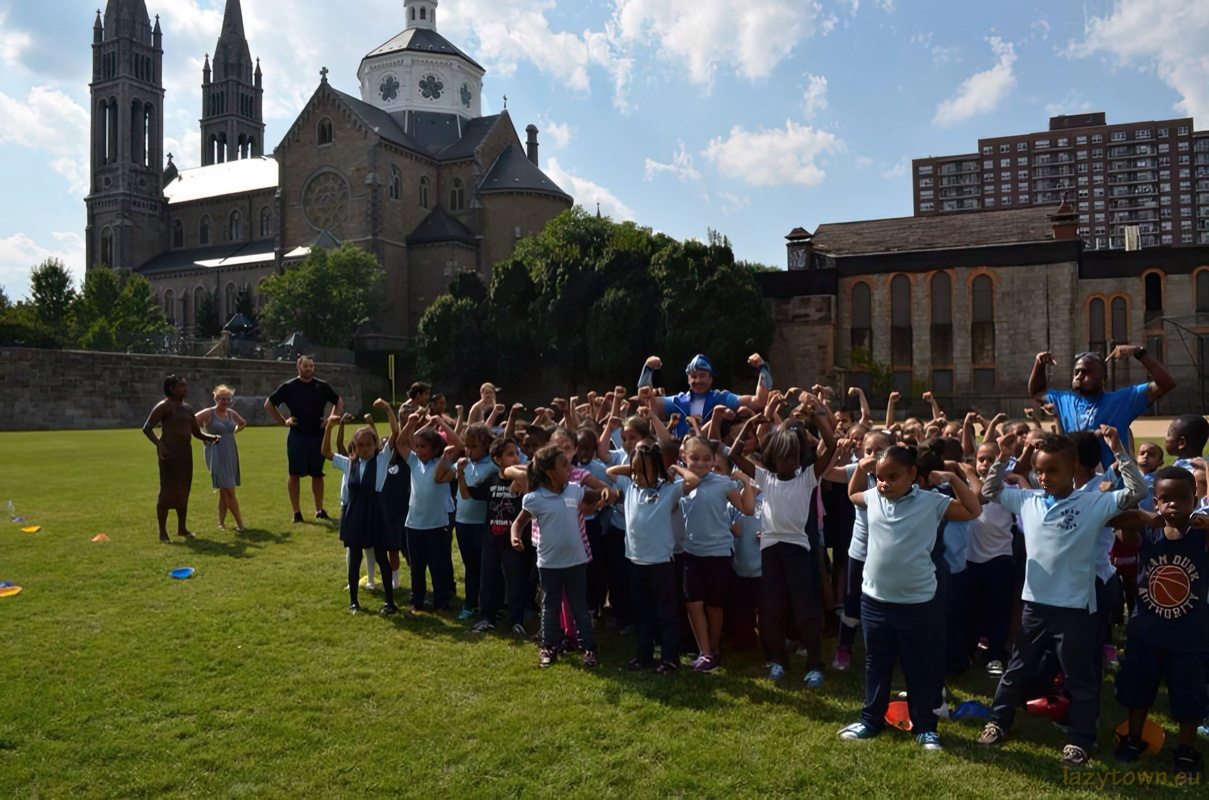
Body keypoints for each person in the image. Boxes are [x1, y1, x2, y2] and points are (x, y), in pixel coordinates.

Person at [978, 428, 1148, 768]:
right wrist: (1003, 456)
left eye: (1053, 470)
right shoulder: (1028, 500)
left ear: (1074, 469)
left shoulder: (1094, 502)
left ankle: (1080, 739)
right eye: (1040, 471)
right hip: (1036, 606)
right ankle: (998, 721)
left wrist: (1117, 450)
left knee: (1080, 675)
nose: (1044, 477)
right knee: (1018, 667)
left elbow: (1139, 490)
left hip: (1076, 609)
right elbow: (990, 490)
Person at [837, 446, 982, 751]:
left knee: (921, 666)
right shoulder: (874, 497)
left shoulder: (932, 502)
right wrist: (862, 471)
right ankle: (870, 720)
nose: (884, 483)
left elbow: (973, 510)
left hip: (918, 603)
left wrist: (954, 478)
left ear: (913, 474)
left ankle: (926, 727)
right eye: (879, 477)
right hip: (875, 599)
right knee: (877, 663)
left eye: (893, 476)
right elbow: (853, 496)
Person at [730, 399, 836, 686]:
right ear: (772, 457)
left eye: (793, 457)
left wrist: (819, 416)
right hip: (771, 550)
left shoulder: (808, 478)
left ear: (801, 457)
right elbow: (734, 454)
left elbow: (831, 445)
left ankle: (814, 663)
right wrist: (750, 427)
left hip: (798, 549)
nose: (788, 462)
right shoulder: (765, 477)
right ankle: (777, 659)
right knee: (772, 607)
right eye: (783, 457)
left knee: (805, 609)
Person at [1111, 467, 1208, 779]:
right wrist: (1143, 516)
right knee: (1138, 690)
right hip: (1146, 631)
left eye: (1182, 498)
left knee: (1188, 696)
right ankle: (1134, 738)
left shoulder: (1202, 536)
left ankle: (1187, 749)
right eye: (1165, 499)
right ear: (1156, 502)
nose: (1173, 505)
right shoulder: (1149, 531)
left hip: (1189, 636)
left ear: (1196, 499)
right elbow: (1112, 520)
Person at [511, 445, 610, 669]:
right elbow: (519, 523)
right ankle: (548, 646)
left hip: (576, 560)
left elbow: (591, 497)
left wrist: (603, 492)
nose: (569, 468)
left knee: (579, 607)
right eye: (564, 465)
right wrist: (515, 537)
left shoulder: (574, 490)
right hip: (549, 563)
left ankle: (589, 648)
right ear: (549, 472)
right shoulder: (534, 499)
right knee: (550, 606)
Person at [607, 441, 699, 673]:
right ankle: (644, 655)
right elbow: (610, 471)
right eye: (634, 469)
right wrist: (635, 466)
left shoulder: (668, 490)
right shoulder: (629, 486)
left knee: (666, 613)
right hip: (635, 562)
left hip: (661, 564)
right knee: (642, 613)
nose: (637, 475)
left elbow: (693, 481)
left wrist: (674, 469)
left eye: (642, 470)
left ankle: (670, 658)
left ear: (656, 468)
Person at [678, 436, 755, 673]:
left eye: (706, 459)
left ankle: (713, 649)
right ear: (684, 458)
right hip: (691, 553)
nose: (701, 463)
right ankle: (705, 652)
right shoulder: (679, 482)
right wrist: (675, 468)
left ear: (713, 460)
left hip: (719, 554)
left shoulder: (723, 483)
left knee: (713, 606)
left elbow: (747, 509)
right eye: (694, 458)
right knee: (693, 603)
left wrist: (745, 482)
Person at [1028, 346, 1176, 468]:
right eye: (1076, 372)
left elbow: (1166, 384)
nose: (1079, 376)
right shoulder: (1064, 400)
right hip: (1075, 485)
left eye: (1085, 372)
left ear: (1103, 379)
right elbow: (1037, 391)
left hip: (1112, 487)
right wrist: (1039, 364)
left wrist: (1140, 352)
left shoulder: (1122, 400)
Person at [321, 399, 400, 615]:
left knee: (382, 558)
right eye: (360, 446)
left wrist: (388, 409)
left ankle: (389, 601)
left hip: (376, 512)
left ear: (375, 445)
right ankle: (354, 600)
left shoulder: (383, 460)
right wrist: (329, 427)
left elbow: (395, 433)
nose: (364, 449)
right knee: (354, 557)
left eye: (368, 445)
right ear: (354, 447)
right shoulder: (349, 463)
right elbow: (326, 452)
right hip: (355, 514)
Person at [396, 411, 463, 614]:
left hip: (437, 524)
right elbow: (400, 444)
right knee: (417, 567)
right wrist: (409, 424)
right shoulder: (414, 461)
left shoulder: (443, 463)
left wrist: (442, 422)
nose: (418, 450)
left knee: (438, 565)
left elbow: (459, 446)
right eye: (416, 446)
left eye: (423, 446)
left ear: (435, 449)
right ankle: (417, 602)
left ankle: (441, 601)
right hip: (414, 524)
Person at [459, 438, 527, 635]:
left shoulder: (521, 480)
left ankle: (516, 620)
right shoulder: (491, 480)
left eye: (516, 453)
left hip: (513, 540)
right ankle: (486, 617)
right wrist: (460, 475)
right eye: (510, 454)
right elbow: (466, 495)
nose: (515, 457)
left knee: (515, 580)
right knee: (487, 579)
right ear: (497, 459)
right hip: (490, 539)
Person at [142, 375, 221, 543]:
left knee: (183, 491)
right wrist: (159, 445)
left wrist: (212, 437)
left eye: (186, 386)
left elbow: (197, 433)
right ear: (172, 389)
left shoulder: (187, 408)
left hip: (185, 453)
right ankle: (163, 532)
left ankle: (182, 528)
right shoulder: (164, 407)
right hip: (169, 453)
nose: (186, 389)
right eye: (182, 386)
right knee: (167, 492)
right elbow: (147, 428)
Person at [264, 355, 343, 523]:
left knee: (317, 474)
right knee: (294, 474)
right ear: (298, 367)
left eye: (311, 366)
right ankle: (297, 512)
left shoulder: (322, 386)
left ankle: (319, 509)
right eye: (306, 366)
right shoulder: (289, 387)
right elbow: (269, 404)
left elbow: (338, 401)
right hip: (297, 436)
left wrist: (330, 419)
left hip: (318, 435)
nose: (309, 369)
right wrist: (284, 421)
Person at [637, 353, 772, 437]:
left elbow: (758, 402)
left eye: (702, 376)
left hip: (713, 461)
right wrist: (647, 369)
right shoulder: (677, 402)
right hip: (683, 460)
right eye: (694, 376)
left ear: (710, 378)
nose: (698, 381)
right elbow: (647, 402)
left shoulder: (722, 398)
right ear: (688, 379)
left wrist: (762, 368)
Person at [195, 384, 247, 531]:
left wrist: (233, 433)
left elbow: (242, 423)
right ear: (216, 398)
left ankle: (221, 523)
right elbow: (193, 422)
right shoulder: (209, 413)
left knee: (225, 490)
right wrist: (203, 436)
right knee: (229, 490)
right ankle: (240, 524)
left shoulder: (231, 413)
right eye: (222, 399)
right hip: (215, 452)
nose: (225, 402)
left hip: (230, 451)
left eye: (228, 399)